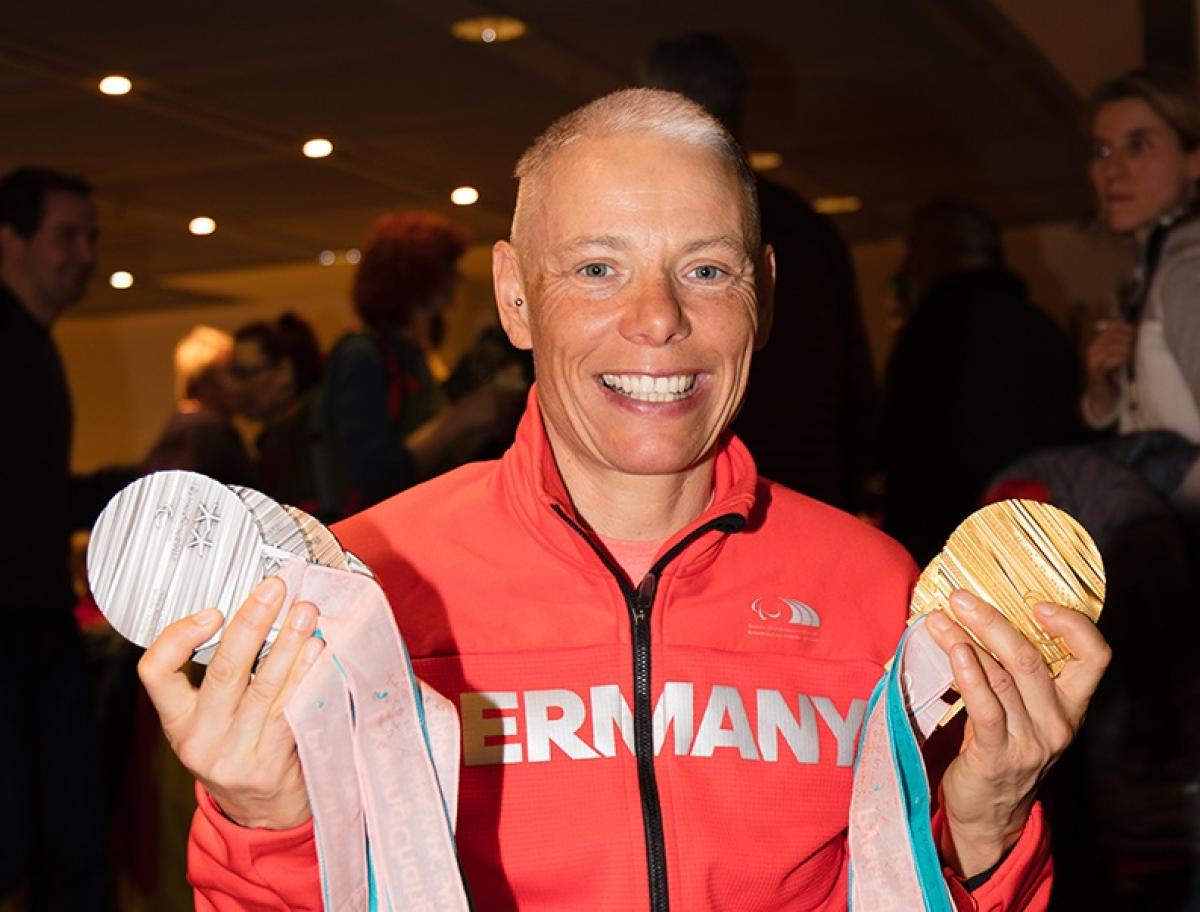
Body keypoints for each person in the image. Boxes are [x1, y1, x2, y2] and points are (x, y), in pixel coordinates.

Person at [138, 90, 1110, 911]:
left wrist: (988, 826)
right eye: (598, 268)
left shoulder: (874, 587)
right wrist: (267, 826)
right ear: (515, 297)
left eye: (706, 269)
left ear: (762, 296)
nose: (658, 319)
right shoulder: (362, 587)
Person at [641, 33, 880, 512]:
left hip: (712, 491)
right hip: (809, 485)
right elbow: (855, 373)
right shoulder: (807, 225)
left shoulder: (650, 218)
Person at [0, 166, 108, 909]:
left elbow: (34, 490)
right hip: (9, 628)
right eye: (65, 235)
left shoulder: (33, 346)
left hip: (36, 622)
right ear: (9, 240)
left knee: (63, 836)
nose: (84, 254)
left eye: (91, 238)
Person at [881, 199, 1084, 565]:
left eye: (915, 249)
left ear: (948, 248)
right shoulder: (1041, 325)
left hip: (954, 544)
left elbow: (907, 445)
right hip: (1044, 530)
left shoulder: (931, 330)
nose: (907, 265)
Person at [316, 211, 521, 518]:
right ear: (419, 276)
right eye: (449, 268)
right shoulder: (362, 355)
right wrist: (460, 420)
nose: (459, 278)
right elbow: (377, 474)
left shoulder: (410, 355)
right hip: (373, 536)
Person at [1082, 70, 1200, 450]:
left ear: (1194, 162)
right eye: (1101, 150)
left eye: (1138, 146)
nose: (1112, 171)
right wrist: (1102, 391)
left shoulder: (1187, 272)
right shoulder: (1151, 273)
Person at [230, 313, 325, 511]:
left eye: (246, 374)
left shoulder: (315, 434)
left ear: (284, 371)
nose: (237, 387)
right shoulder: (274, 439)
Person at [144, 324, 254, 485]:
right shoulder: (207, 431)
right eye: (234, 373)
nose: (244, 384)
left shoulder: (183, 426)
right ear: (205, 380)